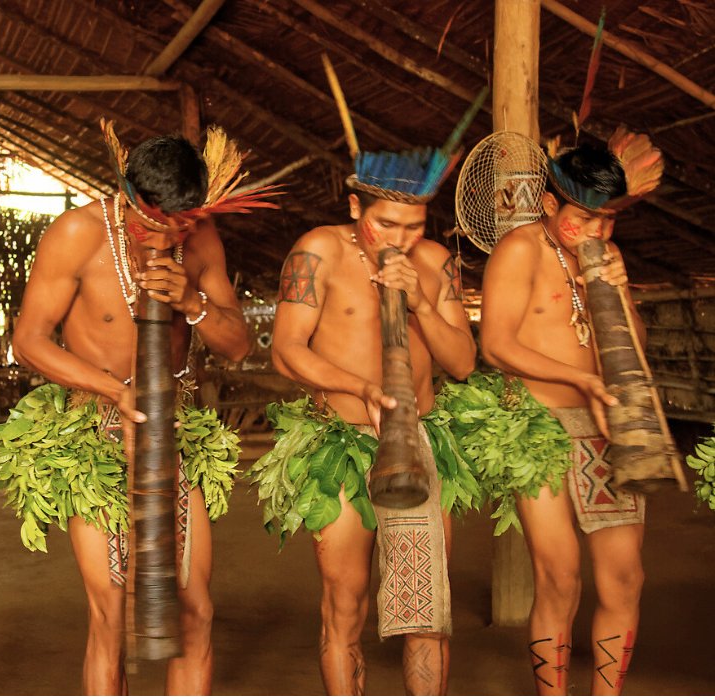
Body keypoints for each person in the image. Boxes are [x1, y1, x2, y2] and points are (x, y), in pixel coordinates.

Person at [0, 120, 276, 695]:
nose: (168, 235)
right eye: (152, 222)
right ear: (128, 196)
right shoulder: (77, 234)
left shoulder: (202, 239)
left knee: (195, 611)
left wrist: (191, 302)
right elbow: (28, 342)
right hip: (92, 431)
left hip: (174, 427)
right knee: (112, 614)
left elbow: (239, 345)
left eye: (182, 222)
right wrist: (114, 391)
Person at [250, 119, 478, 693]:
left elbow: (463, 363)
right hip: (341, 444)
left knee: (426, 613)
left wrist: (421, 300)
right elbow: (286, 351)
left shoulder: (434, 263)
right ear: (356, 207)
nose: (400, 237)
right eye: (386, 224)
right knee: (345, 601)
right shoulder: (318, 252)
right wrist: (362, 389)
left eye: (415, 225)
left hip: (419, 441)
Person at [480, 131, 661, 695]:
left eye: (609, 221)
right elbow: (496, 345)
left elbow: (634, 344)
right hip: (538, 426)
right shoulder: (520, 249)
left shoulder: (607, 254)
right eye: (586, 218)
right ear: (551, 203)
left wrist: (620, 293)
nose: (598, 232)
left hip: (606, 427)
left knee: (625, 579)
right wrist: (579, 378)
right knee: (558, 578)